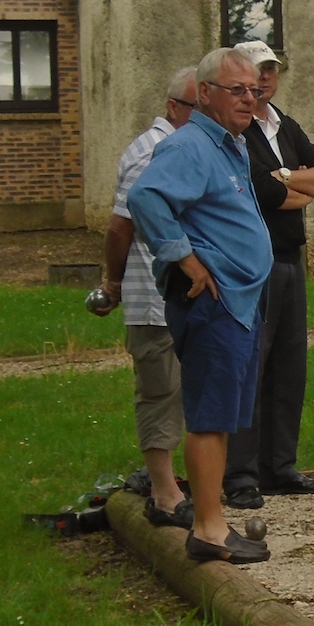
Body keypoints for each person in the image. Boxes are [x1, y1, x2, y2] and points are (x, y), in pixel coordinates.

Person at [128, 47, 274, 564]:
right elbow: (145, 199)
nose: (249, 98)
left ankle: (214, 519)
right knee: (210, 417)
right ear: (205, 94)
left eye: (254, 89)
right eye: (237, 90)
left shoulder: (230, 144)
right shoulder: (191, 144)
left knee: (223, 414)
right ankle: (209, 530)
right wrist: (184, 259)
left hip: (238, 299)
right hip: (212, 301)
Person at [222, 40, 314, 509]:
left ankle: (280, 465)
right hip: (254, 263)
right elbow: (267, 195)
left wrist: (288, 179)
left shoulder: (283, 124)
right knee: (252, 366)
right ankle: (242, 474)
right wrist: (296, 181)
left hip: (292, 257)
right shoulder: (234, 132)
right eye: (255, 73)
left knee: (290, 367)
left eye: (270, 71)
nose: (264, 80)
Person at [94, 66, 198, 529]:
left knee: (186, 392)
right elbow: (121, 224)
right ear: (174, 106)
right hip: (153, 297)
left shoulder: (188, 146)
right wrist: (112, 283)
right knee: (159, 391)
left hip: (185, 296)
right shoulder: (150, 151)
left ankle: (174, 481)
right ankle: (162, 492)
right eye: (200, 106)